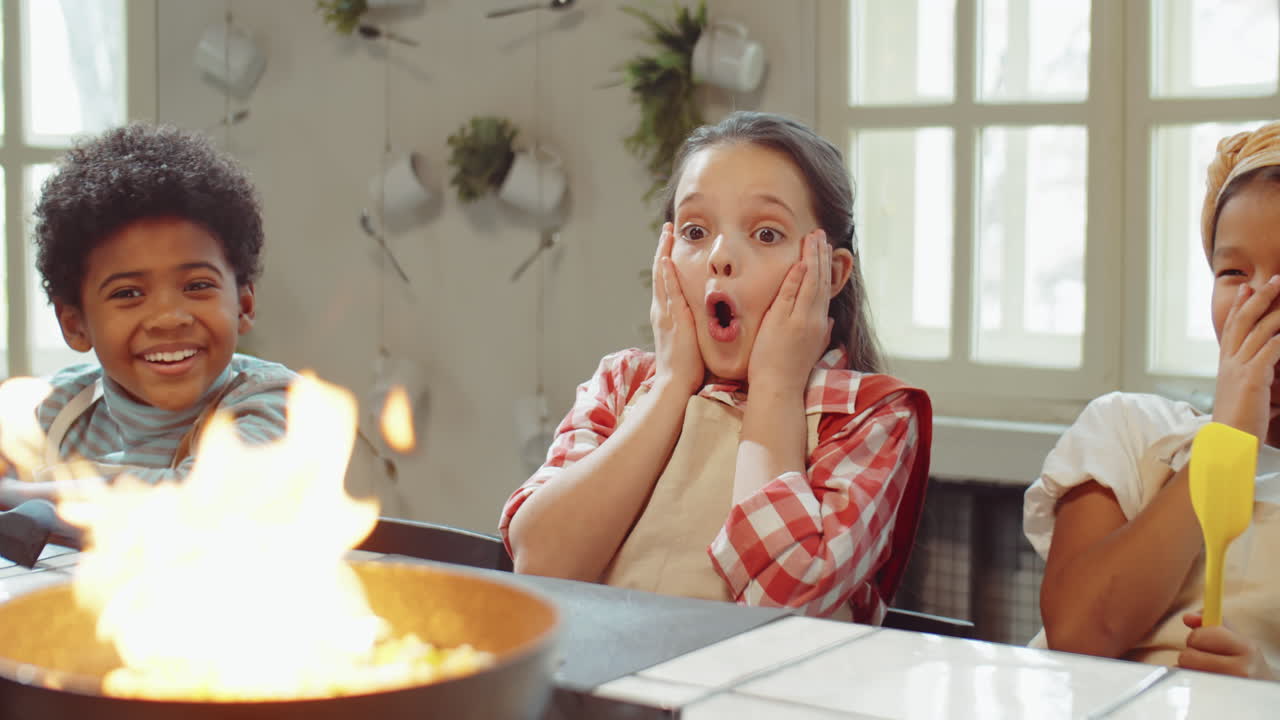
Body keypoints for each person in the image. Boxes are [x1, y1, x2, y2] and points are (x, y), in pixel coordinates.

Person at [499, 111, 932, 622]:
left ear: (831, 274)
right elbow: (540, 564)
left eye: (766, 234)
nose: (720, 257)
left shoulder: (870, 417)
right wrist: (670, 386)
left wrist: (774, 386)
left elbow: (784, 602)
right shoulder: (621, 386)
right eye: (696, 230)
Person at [1026, 121, 1280, 680]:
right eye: (1234, 272)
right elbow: (1077, 633)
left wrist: (1264, 688)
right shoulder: (1130, 429)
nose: (1258, 301)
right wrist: (1229, 440)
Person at [0, 123, 296, 509]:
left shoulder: (276, 402)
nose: (168, 318)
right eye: (128, 293)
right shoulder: (58, 409)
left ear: (243, 305)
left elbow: (200, 499)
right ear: (75, 325)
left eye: (197, 285)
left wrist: (20, 496)